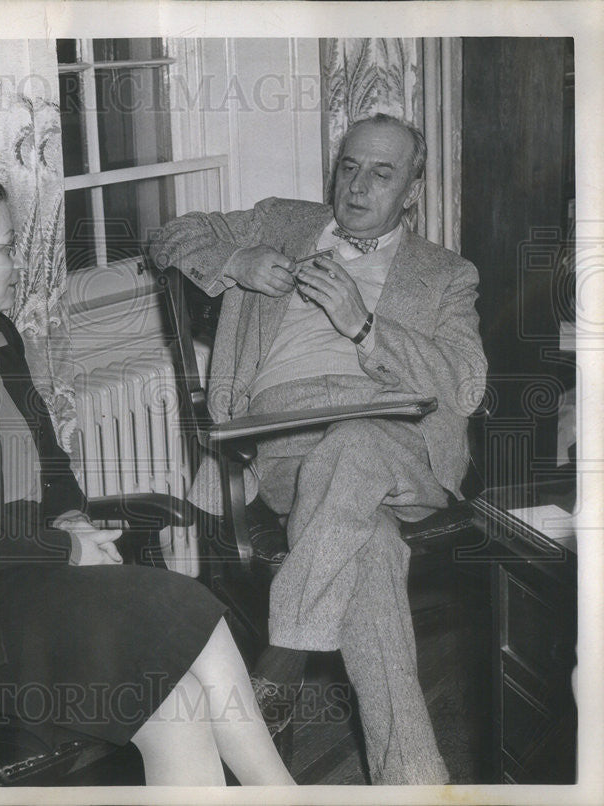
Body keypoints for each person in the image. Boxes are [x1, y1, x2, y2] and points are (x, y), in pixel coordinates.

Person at [0, 167, 294, 786]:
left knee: (176, 708)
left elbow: (49, 460)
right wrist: (64, 546)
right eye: (8, 246)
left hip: (31, 583)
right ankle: (281, 793)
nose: (19, 263)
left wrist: (74, 519)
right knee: (186, 603)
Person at [149, 114, 487, 785]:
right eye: (350, 167)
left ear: (412, 189)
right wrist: (236, 262)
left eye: (382, 174)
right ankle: (418, 783)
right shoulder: (281, 222)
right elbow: (167, 238)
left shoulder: (446, 273)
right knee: (371, 551)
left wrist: (365, 326)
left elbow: (467, 384)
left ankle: (281, 652)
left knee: (358, 443)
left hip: (399, 448)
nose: (358, 186)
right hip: (289, 448)